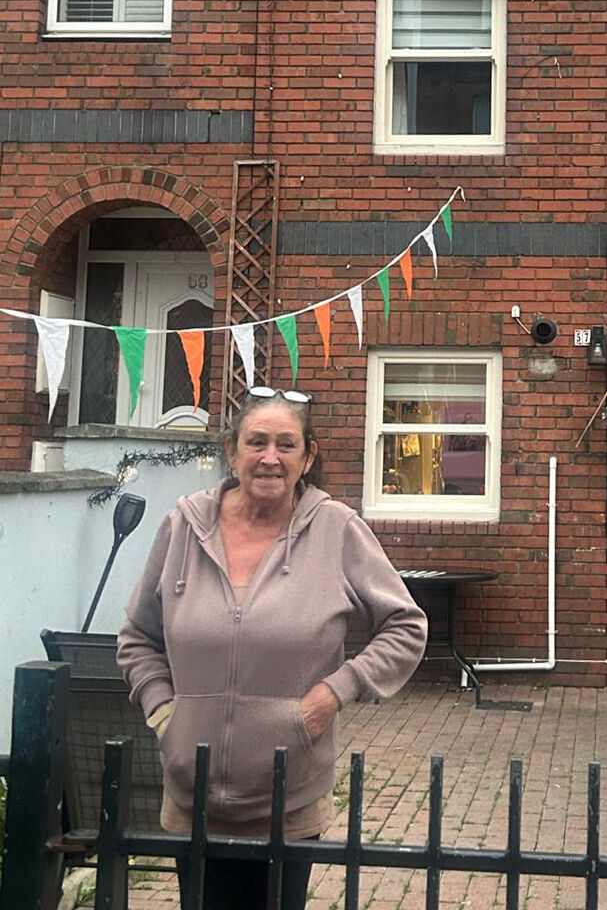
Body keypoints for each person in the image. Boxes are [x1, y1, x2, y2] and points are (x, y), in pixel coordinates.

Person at [117, 387, 428, 910]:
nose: (270, 457)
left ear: (307, 458)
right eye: (256, 442)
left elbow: (405, 625)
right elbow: (138, 637)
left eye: (286, 445)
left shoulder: (337, 530)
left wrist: (332, 694)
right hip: (191, 795)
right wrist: (164, 711)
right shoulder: (184, 526)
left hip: (290, 795)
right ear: (231, 450)